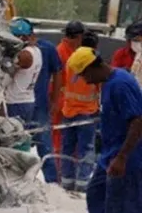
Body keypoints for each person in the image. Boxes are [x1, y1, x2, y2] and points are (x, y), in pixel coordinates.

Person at [67, 47, 142, 213]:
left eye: (83, 75)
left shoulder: (121, 84)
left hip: (127, 158)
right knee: (96, 197)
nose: (84, 80)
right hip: (109, 154)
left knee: (123, 211)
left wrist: (122, 157)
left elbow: (138, 120)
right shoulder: (108, 83)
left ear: (93, 67)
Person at [12, 18, 63, 182]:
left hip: (35, 103)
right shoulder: (33, 50)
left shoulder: (43, 49)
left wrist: (55, 100)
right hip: (30, 101)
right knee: (21, 143)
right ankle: (23, 179)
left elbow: (58, 72)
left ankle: (52, 180)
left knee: (43, 144)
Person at [60, 33, 101, 192]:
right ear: (95, 46)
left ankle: (66, 181)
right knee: (86, 148)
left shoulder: (71, 59)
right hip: (87, 112)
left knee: (67, 147)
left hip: (68, 110)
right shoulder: (93, 61)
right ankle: (82, 183)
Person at [5, 18, 43, 151]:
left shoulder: (25, 55)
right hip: (26, 100)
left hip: (16, 102)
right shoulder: (36, 51)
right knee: (21, 138)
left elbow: (7, 69)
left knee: (13, 141)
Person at [55, 20, 86, 171]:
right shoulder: (62, 52)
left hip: (70, 105)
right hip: (63, 105)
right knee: (61, 141)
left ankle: (66, 173)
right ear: (79, 37)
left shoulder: (70, 51)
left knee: (68, 143)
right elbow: (57, 81)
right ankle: (61, 173)